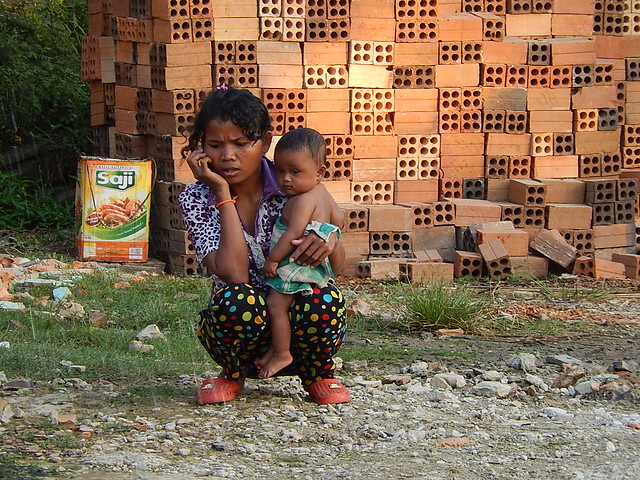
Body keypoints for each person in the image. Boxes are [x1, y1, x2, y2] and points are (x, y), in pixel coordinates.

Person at [178, 85, 351, 405]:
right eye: (215, 145)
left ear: (266, 142)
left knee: (325, 297)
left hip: (301, 326)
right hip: (241, 330)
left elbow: (336, 269)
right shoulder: (195, 198)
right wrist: (220, 192)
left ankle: (318, 372)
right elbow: (234, 272)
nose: (227, 155)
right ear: (201, 149)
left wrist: (330, 239)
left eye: (241, 144)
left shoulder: (294, 182)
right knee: (235, 299)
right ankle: (233, 373)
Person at [256, 128, 345, 379]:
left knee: (275, 305)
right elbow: (339, 220)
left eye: (295, 172)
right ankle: (278, 347)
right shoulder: (322, 196)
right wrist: (328, 230)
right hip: (316, 268)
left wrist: (273, 259)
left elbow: (292, 234)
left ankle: (282, 352)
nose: (285, 179)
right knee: (287, 308)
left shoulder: (302, 200)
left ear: (320, 173)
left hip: (294, 265)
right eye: (280, 170)